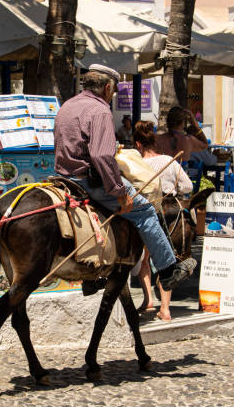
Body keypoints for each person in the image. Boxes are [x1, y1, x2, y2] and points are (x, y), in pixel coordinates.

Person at [54, 64, 197, 295]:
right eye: (113, 91)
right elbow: (101, 155)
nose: (112, 95)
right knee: (145, 210)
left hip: (64, 178)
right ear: (107, 87)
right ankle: (168, 269)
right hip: (91, 181)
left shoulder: (68, 106)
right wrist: (119, 191)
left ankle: (95, 271)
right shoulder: (99, 110)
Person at [132, 120, 193, 321]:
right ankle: (165, 309)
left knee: (146, 259)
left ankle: (149, 300)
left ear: (138, 145)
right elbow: (188, 187)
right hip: (172, 213)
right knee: (167, 261)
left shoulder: (137, 165)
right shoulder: (169, 160)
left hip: (149, 214)